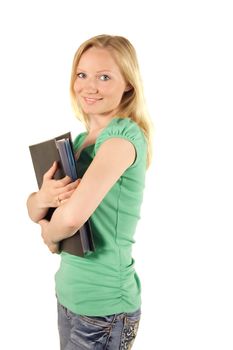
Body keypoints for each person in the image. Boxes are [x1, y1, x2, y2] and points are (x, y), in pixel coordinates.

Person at [26, 34, 153, 350]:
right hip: (71, 295)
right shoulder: (81, 141)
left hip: (104, 307)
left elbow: (69, 220)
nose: (89, 86)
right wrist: (43, 199)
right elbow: (34, 208)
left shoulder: (122, 138)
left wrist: (50, 235)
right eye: (82, 75)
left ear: (128, 84)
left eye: (104, 77)